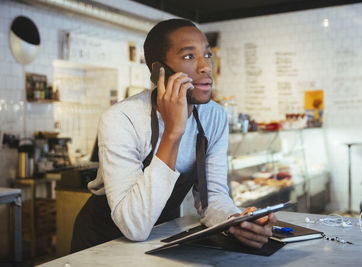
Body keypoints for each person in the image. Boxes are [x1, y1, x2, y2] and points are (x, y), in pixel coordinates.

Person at [71, 18, 276, 253]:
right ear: (160, 70)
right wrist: (172, 132)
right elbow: (134, 226)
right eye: (189, 56)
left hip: (160, 234)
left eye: (207, 55)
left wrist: (234, 222)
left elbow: (213, 197)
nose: (205, 67)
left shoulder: (215, 116)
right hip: (102, 241)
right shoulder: (121, 119)